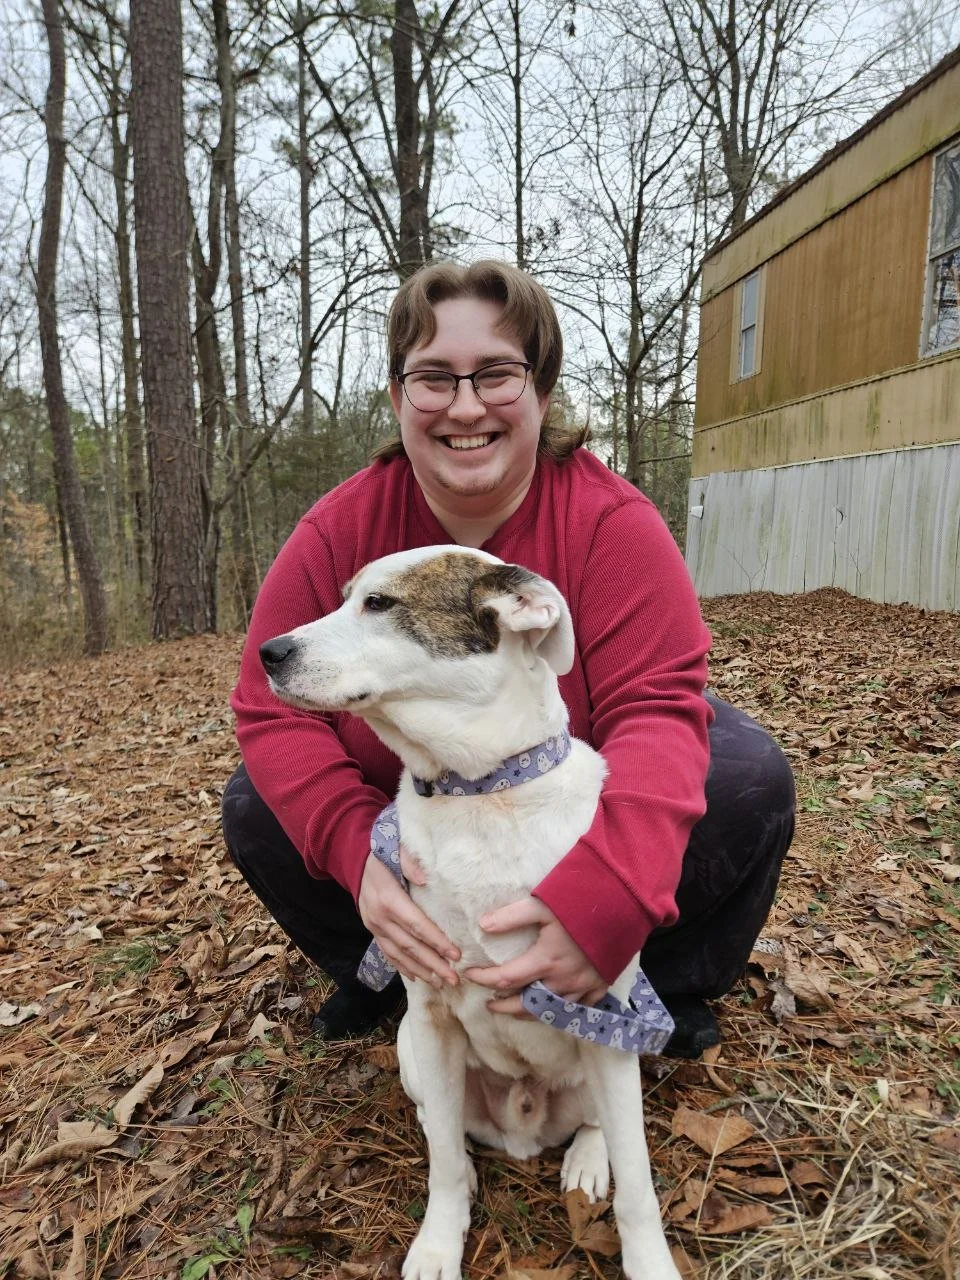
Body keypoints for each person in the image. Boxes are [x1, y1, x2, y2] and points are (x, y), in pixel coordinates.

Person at [222, 260, 795, 1059]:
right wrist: (359, 860)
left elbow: (657, 711)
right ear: (398, 398)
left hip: (560, 790)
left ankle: (661, 976)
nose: (465, 407)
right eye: (432, 378)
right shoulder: (338, 531)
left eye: (496, 374)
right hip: (414, 798)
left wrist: (608, 900)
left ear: (541, 393)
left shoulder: (612, 525)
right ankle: (391, 969)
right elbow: (264, 704)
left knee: (746, 777)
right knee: (259, 806)